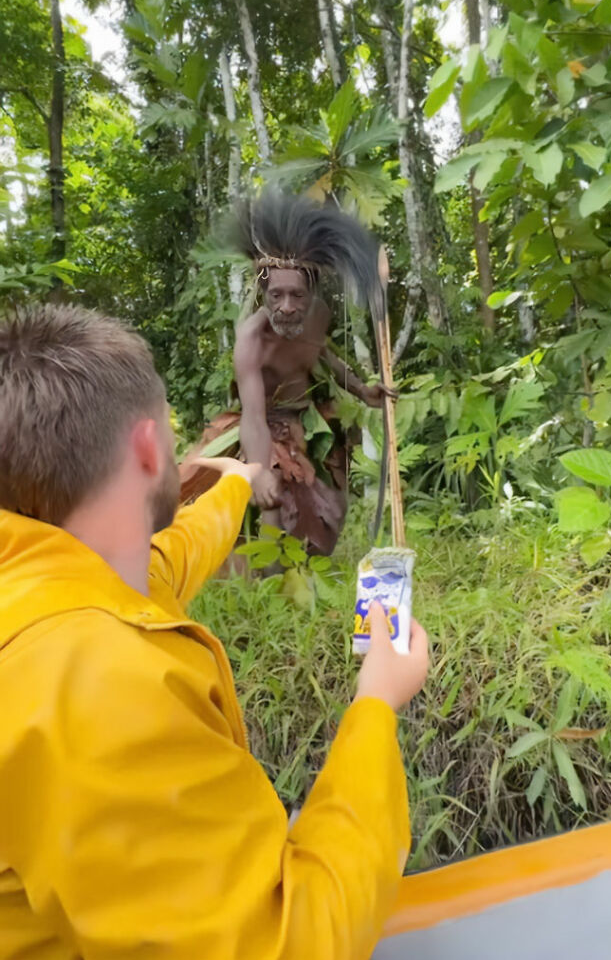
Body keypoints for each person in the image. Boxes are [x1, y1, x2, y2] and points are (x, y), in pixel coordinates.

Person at [0, 304, 429, 959]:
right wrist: (377, 698)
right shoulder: (89, 685)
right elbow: (291, 943)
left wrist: (237, 482)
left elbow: (174, 552)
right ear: (149, 446)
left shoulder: (54, 583)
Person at [179, 191, 396, 556]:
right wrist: (260, 468)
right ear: (263, 291)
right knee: (273, 496)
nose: (287, 307)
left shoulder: (319, 315)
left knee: (328, 507)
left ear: (310, 292)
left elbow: (322, 354)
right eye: (277, 295)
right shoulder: (251, 340)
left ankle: (308, 568)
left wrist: (362, 390)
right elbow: (253, 415)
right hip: (262, 425)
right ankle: (269, 583)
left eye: (296, 295)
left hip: (306, 418)